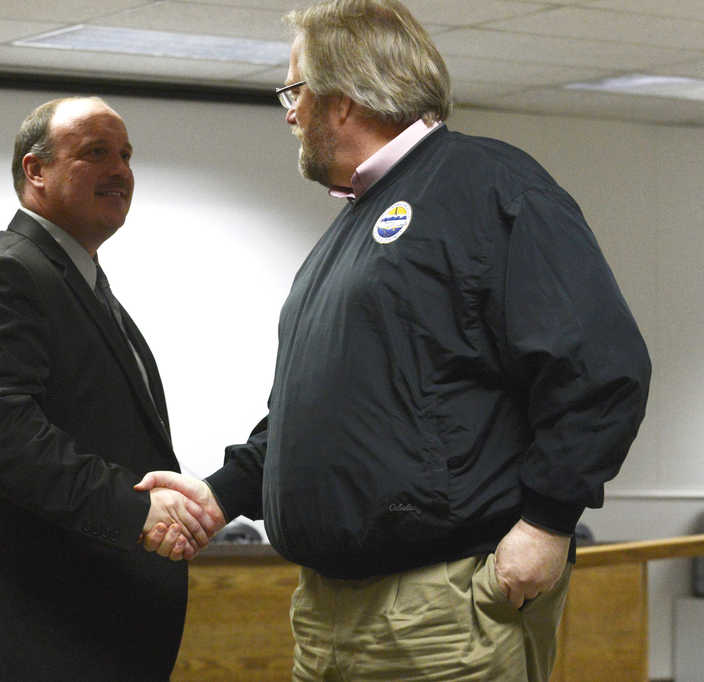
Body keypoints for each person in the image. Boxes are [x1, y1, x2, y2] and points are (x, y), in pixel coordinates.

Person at [137, 1, 652, 679]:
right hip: (326, 615)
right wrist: (223, 493)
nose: (289, 113)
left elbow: (601, 366)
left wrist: (548, 521)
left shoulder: (487, 185)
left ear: (343, 98)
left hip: (442, 611)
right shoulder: (348, 231)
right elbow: (324, 411)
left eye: (296, 91)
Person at [0, 96, 220, 681]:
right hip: (32, 639)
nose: (120, 170)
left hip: (81, 635)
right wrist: (134, 511)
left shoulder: (80, 281)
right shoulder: (8, 273)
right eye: (96, 153)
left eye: (126, 155)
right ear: (35, 171)